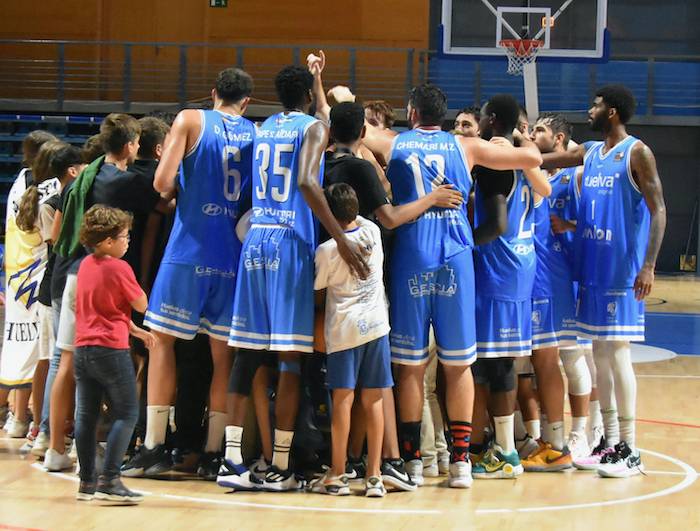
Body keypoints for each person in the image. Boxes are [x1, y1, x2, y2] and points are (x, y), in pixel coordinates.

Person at [362, 85, 543, 488]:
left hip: (412, 255)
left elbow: (350, 124)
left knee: (410, 367)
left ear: (411, 113)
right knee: (458, 364)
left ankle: (412, 463)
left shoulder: (393, 141)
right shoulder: (467, 145)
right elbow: (532, 157)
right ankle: (460, 462)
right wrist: (514, 135)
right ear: (442, 117)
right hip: (457, 256)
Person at [221, 65, 368, 492]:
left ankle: (231, 461)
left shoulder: (263, 127)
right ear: (307, 96)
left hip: (257, 237)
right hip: (289, 241)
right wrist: (340, 238)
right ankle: (281, 466)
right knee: (289, 358)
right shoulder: (314, 128)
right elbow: (306, 179)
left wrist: (316, 79)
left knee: (246, 353)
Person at [121, 68, 255, 480]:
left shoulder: (191, 119)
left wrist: (187, 185)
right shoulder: (256, 132)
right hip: (231, 254)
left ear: (213, 92)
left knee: (161, 343)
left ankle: (155, 446)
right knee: (222, 357)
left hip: (189, 249)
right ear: (246, 101)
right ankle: (215, 452)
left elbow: (162, 182)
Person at [324, 101, 462, 489]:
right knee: (379, 385)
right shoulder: (363, 186)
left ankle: (340, 467)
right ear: (363, 133)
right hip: (369, 302)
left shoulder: (320, 166)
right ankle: (386, 464)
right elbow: (391, 218)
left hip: (334, 303)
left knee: (342, 393)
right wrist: (432, 199)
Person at [541, 84, 666, 478]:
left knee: (618, 355)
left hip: (622, 273)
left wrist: (648, 266)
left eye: (595, 105)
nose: (589, 110)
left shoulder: (637, 153)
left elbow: (659, 210)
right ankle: (609, 442)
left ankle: (629, 446)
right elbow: (550, 158)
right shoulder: (591, 153)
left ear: (611, 112)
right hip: (592, 271)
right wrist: (509, 154)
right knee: (599, 358)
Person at [468, 94, 551, 480]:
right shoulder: (524, 161)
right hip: (520, 266)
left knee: (495, 363)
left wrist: (462, 243)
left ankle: (504, 453)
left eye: (482, 116)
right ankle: (502, 445)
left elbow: (497, 223)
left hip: (496, 266)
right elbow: (545, 191)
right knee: (498, 362)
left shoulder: (492, 161)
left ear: (492, 120)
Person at [519, 113, 592, 471]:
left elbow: (591, 223)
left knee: (568, 359)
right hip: (537, 278)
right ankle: (550, 437)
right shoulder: (540, 174)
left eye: (540, 130)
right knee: (539, 362)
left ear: (559, 138)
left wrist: (569, 225)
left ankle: (576, 435)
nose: (532, 134)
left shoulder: (572, 175)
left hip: (558, 279)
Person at [311, 183, 393, 498]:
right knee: (373, 400)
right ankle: (373, 476)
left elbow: (319, 292)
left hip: (344, 330)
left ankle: (337, 472)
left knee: (343, 402)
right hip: (376, 325)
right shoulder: (372, 229)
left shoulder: (327, 250)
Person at [73, 205, 155, 503]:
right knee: (127, 412)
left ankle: (87, 483)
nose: (128, 241)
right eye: (124, 236)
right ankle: (110, 479)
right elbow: (141, 304)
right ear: (108, 241)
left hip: (83, 348)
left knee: (86, 415)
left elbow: (100, 309)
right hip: (110, 349)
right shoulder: (119, 268)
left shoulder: (85, 266)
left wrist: (134, 330)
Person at [0, 130, 58, 438]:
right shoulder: (48, 191)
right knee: (39, 353)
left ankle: (19, 417)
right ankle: (31, 422)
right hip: (36, 275)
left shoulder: (20, 181)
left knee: (17, 350)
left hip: (14, 275)